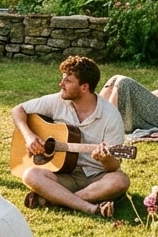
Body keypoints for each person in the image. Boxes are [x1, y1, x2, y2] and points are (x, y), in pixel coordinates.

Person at [11, 55, 129, 219]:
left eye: (68, 81)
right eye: (63, 79)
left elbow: (113, 167)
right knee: (30, 175)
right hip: (63, 173)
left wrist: (105, 159)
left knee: (120, 181)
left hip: (95, 178)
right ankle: (88, 207)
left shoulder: (110, 117)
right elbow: (18, 110)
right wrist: (29, 136)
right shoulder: (58, 100)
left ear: (84, 87)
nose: (61, 84)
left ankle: (56, 199)